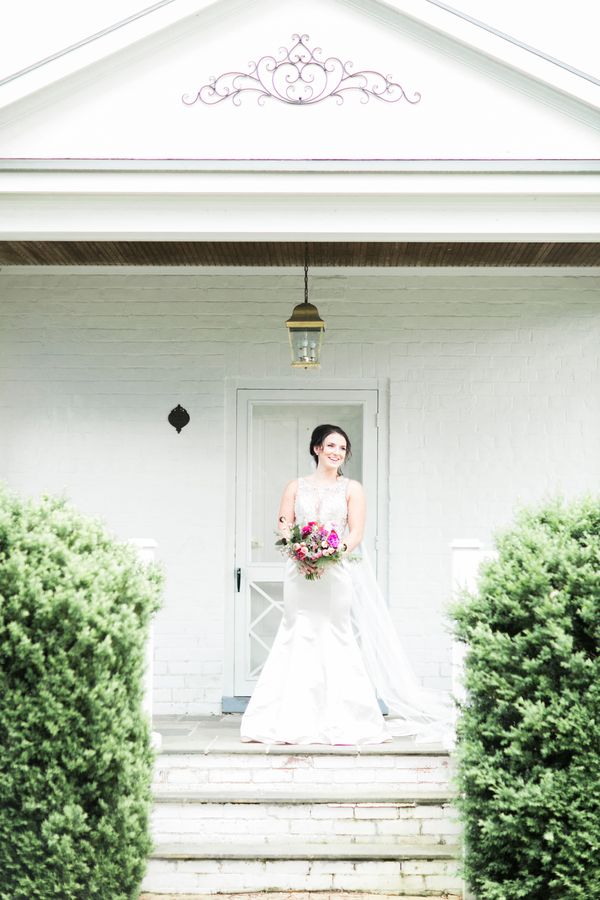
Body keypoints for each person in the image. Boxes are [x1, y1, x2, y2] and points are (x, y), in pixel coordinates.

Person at [240, 424, 453, 746]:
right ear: (316, 449)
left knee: (335, 635)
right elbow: (284, 525)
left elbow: (355, 533)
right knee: (295, 633)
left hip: (335, 572)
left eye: (342, 448)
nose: (336, 452)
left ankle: (344, 719)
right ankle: (289, 719)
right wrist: (299, 551)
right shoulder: (295, 486)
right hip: (299, 572)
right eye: (330, 446)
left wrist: (328, 554)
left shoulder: (352, 488)